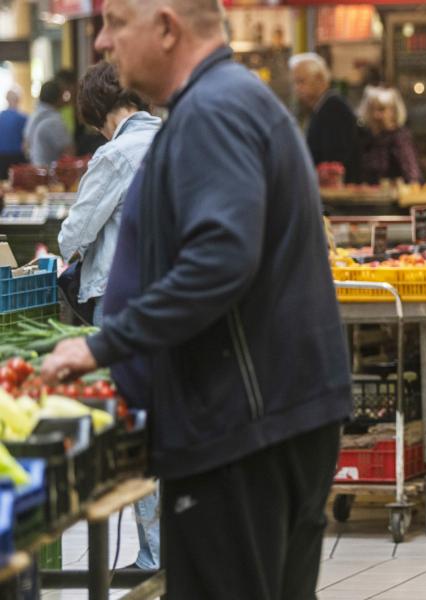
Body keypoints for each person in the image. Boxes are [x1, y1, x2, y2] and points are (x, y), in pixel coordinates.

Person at [40, 0, 352, 596]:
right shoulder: (224, 103)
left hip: (242, 425)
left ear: (165, 26)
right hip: (267, 413)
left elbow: (220, 259)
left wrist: (104, 346)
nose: (102, 42)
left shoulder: (214, 112)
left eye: (114, 23)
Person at [57, 61, 162, 570]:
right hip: (176, 300)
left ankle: (154, 556)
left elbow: (73, 234)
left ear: (101, 113)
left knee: (135, 426)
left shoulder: (116, 152)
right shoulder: (175, 140)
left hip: (124, 302)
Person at [290, 52, 362, 184]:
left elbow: (334, 163)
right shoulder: (322, 107)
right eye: (295, 83)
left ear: (319, 79)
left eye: (301, 81)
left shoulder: (333, 108)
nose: (297, 88)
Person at [358, 85, 422, 185]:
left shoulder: (399, 138)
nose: (376, 115)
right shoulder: (365, 138)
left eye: (381, 109)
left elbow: (413, 176)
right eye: (372, 109)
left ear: (393, 111)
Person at [25, 80, 74, 166]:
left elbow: (25, 146)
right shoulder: (54, 121)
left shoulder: (34, 115)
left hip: (36, 169)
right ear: (57, 98)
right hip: (50, 173)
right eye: (63, 95)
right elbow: (68, 151)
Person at [0, 88, 27, 177]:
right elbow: (26, 140)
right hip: (17, 157)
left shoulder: (1, 117)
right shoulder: (23, 118)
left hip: (3, 157)